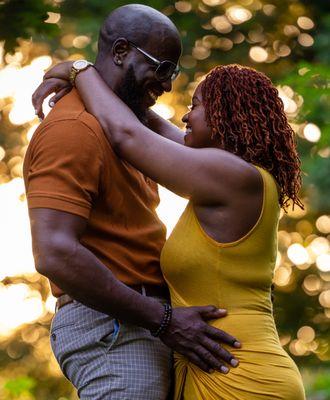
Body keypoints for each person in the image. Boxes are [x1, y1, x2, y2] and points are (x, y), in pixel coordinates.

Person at [33, 61, 306, 400]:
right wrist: (101, 83)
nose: (185, 117)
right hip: (218, 366)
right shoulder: (236, 177)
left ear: (224, 115)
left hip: (243, 376)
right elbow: (151, 127)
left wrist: (79, 68)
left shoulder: (235, 177)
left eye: (196, 106)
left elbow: (127, 134)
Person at [25, 4, 240, 400]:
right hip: (116, 329)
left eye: (173, 73)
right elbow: (54, 253)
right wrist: (163, 320)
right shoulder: (74, 129)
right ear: (121, 51)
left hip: (141, 324)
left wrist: (78, 69)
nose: (169, 85)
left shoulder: (131, 127)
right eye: (162, 69)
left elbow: (203, 158)